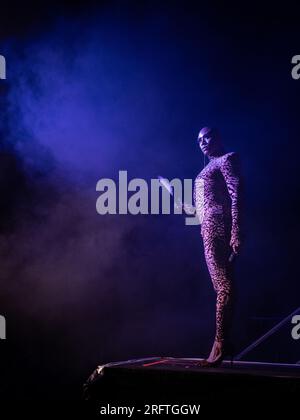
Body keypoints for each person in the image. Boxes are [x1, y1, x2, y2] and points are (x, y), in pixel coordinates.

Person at [194, 127, 243, 367]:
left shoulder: (227, 159)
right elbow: (201, 210)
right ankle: (224, 342)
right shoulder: (208, 168)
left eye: (207, 136)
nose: (202, 142)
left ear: (219, 137)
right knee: (222, 286)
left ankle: (220, 343)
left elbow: (237, 195)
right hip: (208, 229)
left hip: (219, 229)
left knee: (224, 286)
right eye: (199, 140)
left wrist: (236, 230)